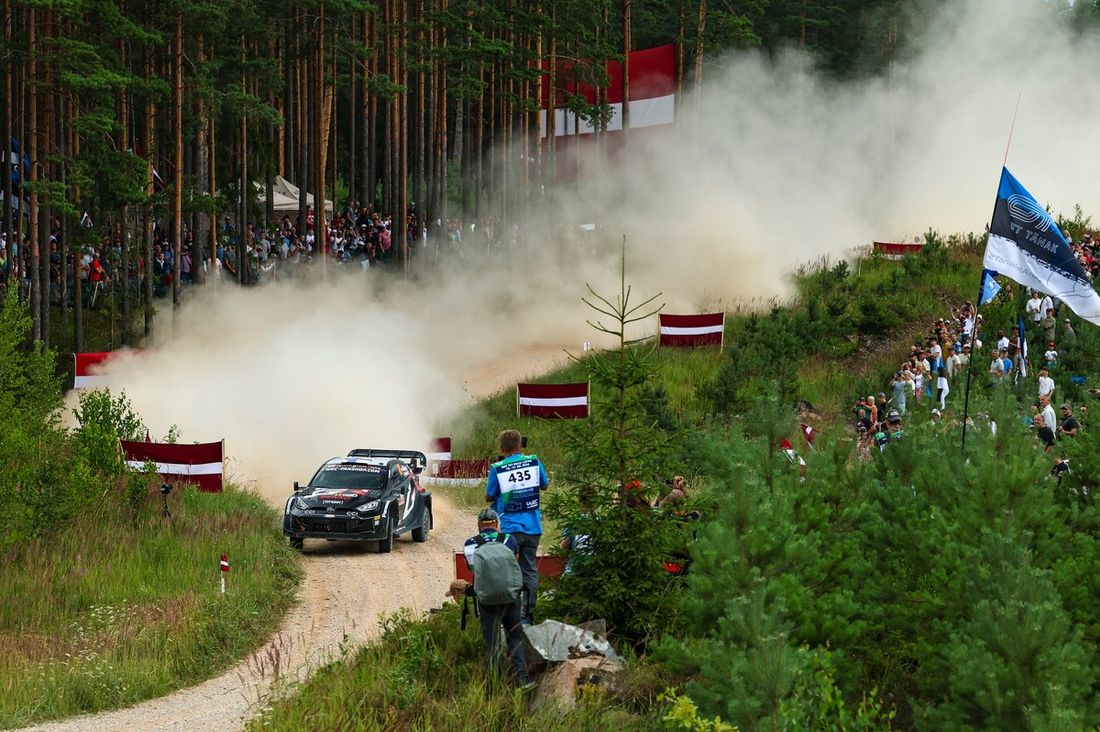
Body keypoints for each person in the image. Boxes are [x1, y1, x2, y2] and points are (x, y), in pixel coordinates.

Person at [452, 508, 533, 688]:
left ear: (479, 525)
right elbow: (514, 563)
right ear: (497, 524)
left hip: (486, 598)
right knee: (515, 636)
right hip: (511, 596)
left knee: (492, 642)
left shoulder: (471, 543)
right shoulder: (509, 540)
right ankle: (522, 679)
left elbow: (473, 569)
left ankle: (495, 685)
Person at [485, 429, 549, 625]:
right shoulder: (534, 462)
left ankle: (510, 616)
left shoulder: (498, 468)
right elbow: (544, 485)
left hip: (510, 528)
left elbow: (489, 496)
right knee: (529, 570)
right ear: (521, 445)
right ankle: (528, 616)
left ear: (501, 448)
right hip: (532, 527)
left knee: (507, 571)